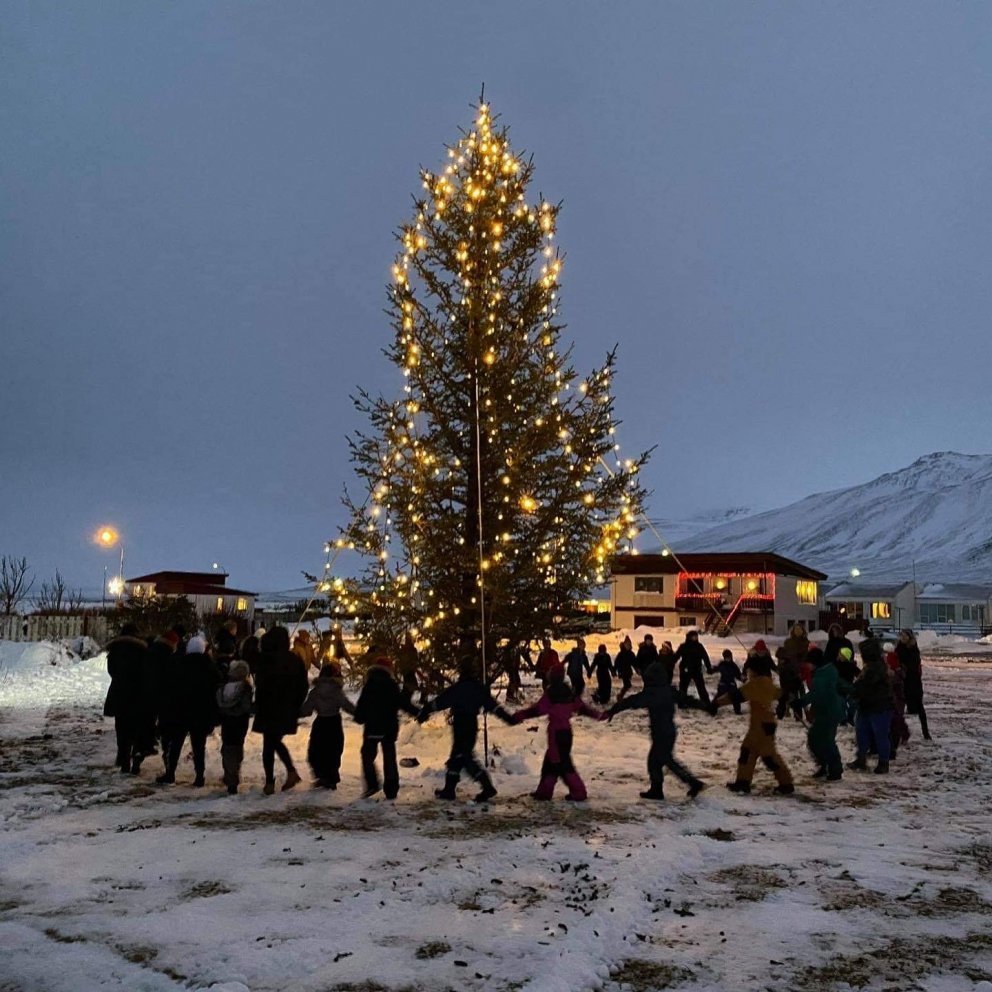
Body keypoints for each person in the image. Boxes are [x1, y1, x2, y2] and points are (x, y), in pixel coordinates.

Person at [418, 656, 514, 802]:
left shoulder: (459, 688)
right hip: (471, 724)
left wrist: (425, 710)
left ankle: (487, 787)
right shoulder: (478, 688)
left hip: (461, 724)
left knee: (464, 757)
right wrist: (508, 718)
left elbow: (441, 701)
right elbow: (493, 707)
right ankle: (449, 790)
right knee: (457, 756)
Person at [607, 660, 705, 800]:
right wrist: (706, 706)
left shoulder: (651, 693)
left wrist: (613, 710)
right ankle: (657, 790)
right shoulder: (669, 691)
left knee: (663, 760)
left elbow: (631, 702)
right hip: (669, 731)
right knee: (657, 761)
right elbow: (688, 700)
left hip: (660, 733)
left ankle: (692, 782)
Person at [512, 663, 605, 801]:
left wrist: (519, 716)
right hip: (567, 733)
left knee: (562, 765)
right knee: (551, 763)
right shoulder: (569, 692)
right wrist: (598, 715)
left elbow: (536, 710)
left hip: (556, 735)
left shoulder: (551, 694)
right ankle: (544, 792)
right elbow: (583, 708)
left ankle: (578, 792)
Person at [713, 653, 794, 795]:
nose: (748, 672)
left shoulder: (755, 684)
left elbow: (735, 696)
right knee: (747, 752)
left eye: (749, 670)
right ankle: (742, 782)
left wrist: (716, 703)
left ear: (754, 671)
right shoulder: (767, 682)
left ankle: (786, 783)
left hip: (761, 727)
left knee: (769, 756)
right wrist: (786, 694)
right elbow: (777, 693)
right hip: (761, 726)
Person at [159, 635, 221, 787]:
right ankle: (199, 776)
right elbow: (216, 687)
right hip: (200, 712)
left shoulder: (180, 665)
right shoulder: (210, 667)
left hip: (181, 711)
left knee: (176, 743)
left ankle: (170, 773)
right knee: (199, 745)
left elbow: (171, 688)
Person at [353, 657, 419, 799]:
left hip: (372, 728)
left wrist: (359, 717)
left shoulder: (369, 685)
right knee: (389, 757)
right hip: (389, 728)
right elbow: (402, 703)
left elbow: (362, 705)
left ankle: (372, 783)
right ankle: (391, 788)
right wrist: (418, 712)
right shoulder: (391, 685)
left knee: (367, 756)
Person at [253, 626, 308, 795]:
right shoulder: (294, 660)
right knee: (273, 741)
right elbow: (303, 685)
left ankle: (272, 781)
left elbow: (260, 684)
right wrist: (296, 703)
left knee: (269, 743)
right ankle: (289, 773)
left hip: (268, 707)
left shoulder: (265, 659)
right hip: (287, 709)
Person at [300, 660, 357, 788]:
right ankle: (331, 777)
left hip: (321, 722)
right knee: (334, 750)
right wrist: (359, 714)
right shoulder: (337, 691)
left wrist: (295, 713)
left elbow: (306, 710)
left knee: (316, 750)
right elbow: (347, 705)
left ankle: (321, 775)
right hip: (334, 721)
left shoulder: (315, 691)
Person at [103, 623, 150, 774]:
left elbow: (111, 670)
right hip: (136, 693)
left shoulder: (115, 650)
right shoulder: (142, 650)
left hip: (118, 692)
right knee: (135, 726)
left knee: (121, 727)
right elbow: (145, 671)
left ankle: (123, 757)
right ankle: (134, 756)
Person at [848, 638, 894, 774]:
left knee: (880, 736)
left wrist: (852, 690)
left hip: (879, 707)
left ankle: (883, 763)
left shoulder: (876, 668)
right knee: (861, 733)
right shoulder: (872, 666)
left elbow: (864, 686)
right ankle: (861, 759)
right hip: (868, 706)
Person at [803, 646, 847, 781]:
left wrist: (800, 702)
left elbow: (817, 694)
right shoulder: (826, 671)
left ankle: (835, 770)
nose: (807, 665)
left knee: (825, 740)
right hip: (828, 710)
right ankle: (825, 765)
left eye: (809, 663)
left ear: (814, 662)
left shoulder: (822, 675)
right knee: (816, 738)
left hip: (829, 711)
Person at [216, 659, 253, 794]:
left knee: (227, 748)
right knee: (237, 748)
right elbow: (246, 707)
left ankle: (230, 775)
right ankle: (233, 775)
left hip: (227, 721)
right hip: (240, 723)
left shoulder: (224, 689)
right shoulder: (245, 688)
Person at [896, 629, 931, 740]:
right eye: (901, 635)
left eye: (905, 635)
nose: (902, 637)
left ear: (909, 637)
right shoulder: (899, 648)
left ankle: (926, 732)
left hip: (913, 682)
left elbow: (913, 664)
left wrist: (903, 666)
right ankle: (901, 732)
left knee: (920, 707)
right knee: (898, 708)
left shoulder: (913, 649)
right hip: (902, 681)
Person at [775, 625, 809, 720]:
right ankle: (785, 711)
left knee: (799, 692)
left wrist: (802, 667)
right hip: (787, 671)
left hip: (799, 670)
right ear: (793, 631)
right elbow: (784, 655)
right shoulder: (788, 642)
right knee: (787, 692)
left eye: (800, 629)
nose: (798, 631)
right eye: (796, 629)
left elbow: (806, 657)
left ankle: (802, 712)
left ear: (803, 631)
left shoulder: (806, 643)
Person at [674, 630, 711, 705]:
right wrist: (669, 664)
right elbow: (676, 656)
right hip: (685, 669)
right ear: (689, 637)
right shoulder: (683, 646)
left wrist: (709, 667)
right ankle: (682, 702)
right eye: (693, 636)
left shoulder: (699, 646)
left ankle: (706, 702)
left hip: (696, 669)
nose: (695, 638)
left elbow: (705, 657)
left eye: (696, 636)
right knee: (683, 687)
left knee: (701, 687)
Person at [886, 651, 911, 760]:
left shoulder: (896, 675)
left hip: (897, 701)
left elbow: (898, 690)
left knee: (896, 722)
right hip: (894, 701)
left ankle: (895, 745)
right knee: (897, 720)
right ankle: (903, 735)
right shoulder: (894, 674)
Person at [713, 649, 744, 715]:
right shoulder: (722, 664)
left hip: (731, 684)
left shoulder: (733, 665)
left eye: (729, 657)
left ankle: (737, 711)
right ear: (724, 657)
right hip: (723, 684)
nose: (728, 658)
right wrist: (711, 670)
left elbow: (738, 675)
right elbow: (715, 669)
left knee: (736, 696)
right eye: (726, 657)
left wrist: (744, 680)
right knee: (718, 697)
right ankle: (712, 709)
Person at [396, 631, 421, 706]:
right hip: (408, 669)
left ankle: (404, 700)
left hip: (408, 669)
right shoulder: (409, 649)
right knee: (410, 684)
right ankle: (404, 700)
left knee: (409, 685)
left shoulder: (408, 649)